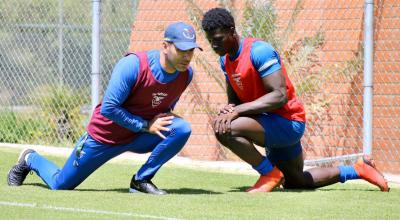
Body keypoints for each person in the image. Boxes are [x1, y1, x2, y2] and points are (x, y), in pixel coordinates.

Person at [201, 8, 389, 192]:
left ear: (232, 31)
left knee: (225, 129)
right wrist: (229, 110)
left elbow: (280, 96)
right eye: (210, 42)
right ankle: (357, 169)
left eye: (218, 40)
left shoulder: (259, 51)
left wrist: (237, 112)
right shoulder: (225, 61)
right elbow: (235, 102)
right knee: (296, 181)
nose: (214, 46)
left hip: (288, 122)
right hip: (267, 125)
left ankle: (269, 174)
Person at [7, 22, 202, 195]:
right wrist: (144, 125)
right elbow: (109, 108)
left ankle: (141, 181)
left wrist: (150, 125)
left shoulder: (186, 75)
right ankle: (30, 158)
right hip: (105, 137)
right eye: (181, 50)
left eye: (191, 50)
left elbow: (164, 109)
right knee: (60, 184)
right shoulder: (133, 65)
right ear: (165, 46)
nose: (187, 56)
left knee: (181, 128)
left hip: (138, 136)